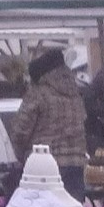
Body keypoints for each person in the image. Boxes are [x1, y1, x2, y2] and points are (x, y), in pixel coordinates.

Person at [12, 49, 90, 196]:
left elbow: (20, 131)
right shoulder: (76, 93)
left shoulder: (38, 93)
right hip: (75, 164)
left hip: (44, 168)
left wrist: (23, 155)